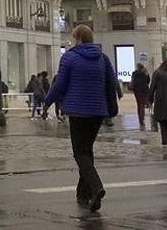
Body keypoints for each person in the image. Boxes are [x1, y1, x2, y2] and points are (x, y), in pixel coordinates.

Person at [43, 24, 117, 213]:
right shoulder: (102, 57)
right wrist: (111, 108)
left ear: (78, 39)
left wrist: (47, 102)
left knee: (79, 153)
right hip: (98, 112)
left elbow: (59, 85)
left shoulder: (69, 57)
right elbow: (111, 83)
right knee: (87, 151)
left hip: (77, 111)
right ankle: (83, 193)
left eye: (73, 37)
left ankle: (96, 186)